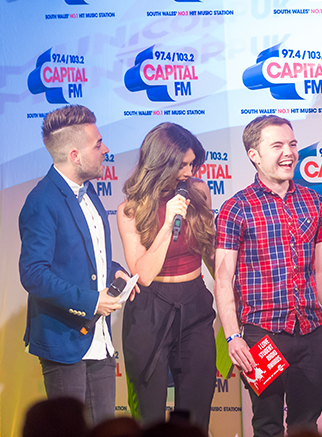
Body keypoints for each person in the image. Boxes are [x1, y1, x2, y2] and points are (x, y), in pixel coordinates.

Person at [214, 115, 322, 437]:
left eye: (292, 144)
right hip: (262, 336)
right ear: (254, 155)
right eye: (277, 145)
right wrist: (232, 336)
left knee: (306, 426)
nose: (288, 152)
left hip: (311, 333)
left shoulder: (313, 202)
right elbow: (223, 279)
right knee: (267, 426)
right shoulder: (236, 208)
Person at [19, 105, 132, 425]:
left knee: (103, 429)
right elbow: (33, 273)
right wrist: (92, 301)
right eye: (98, 144)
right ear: (75, 155)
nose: (105, 150)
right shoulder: (42, 201)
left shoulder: (88, 192)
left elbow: (86, 254)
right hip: (63, 340)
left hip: (100, 340)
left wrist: (114, 270)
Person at [117, 123, 216, 429]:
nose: (188, 173)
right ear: (160, 163)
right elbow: (144, 274)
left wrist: (232, 297)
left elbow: (210, 252)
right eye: (181, 165)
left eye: (192, 164)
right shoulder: (131, 210)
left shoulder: (199, 192)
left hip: (194, 303)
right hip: (150, 309)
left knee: (195, 412)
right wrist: (167, 223)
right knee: (148, 413)